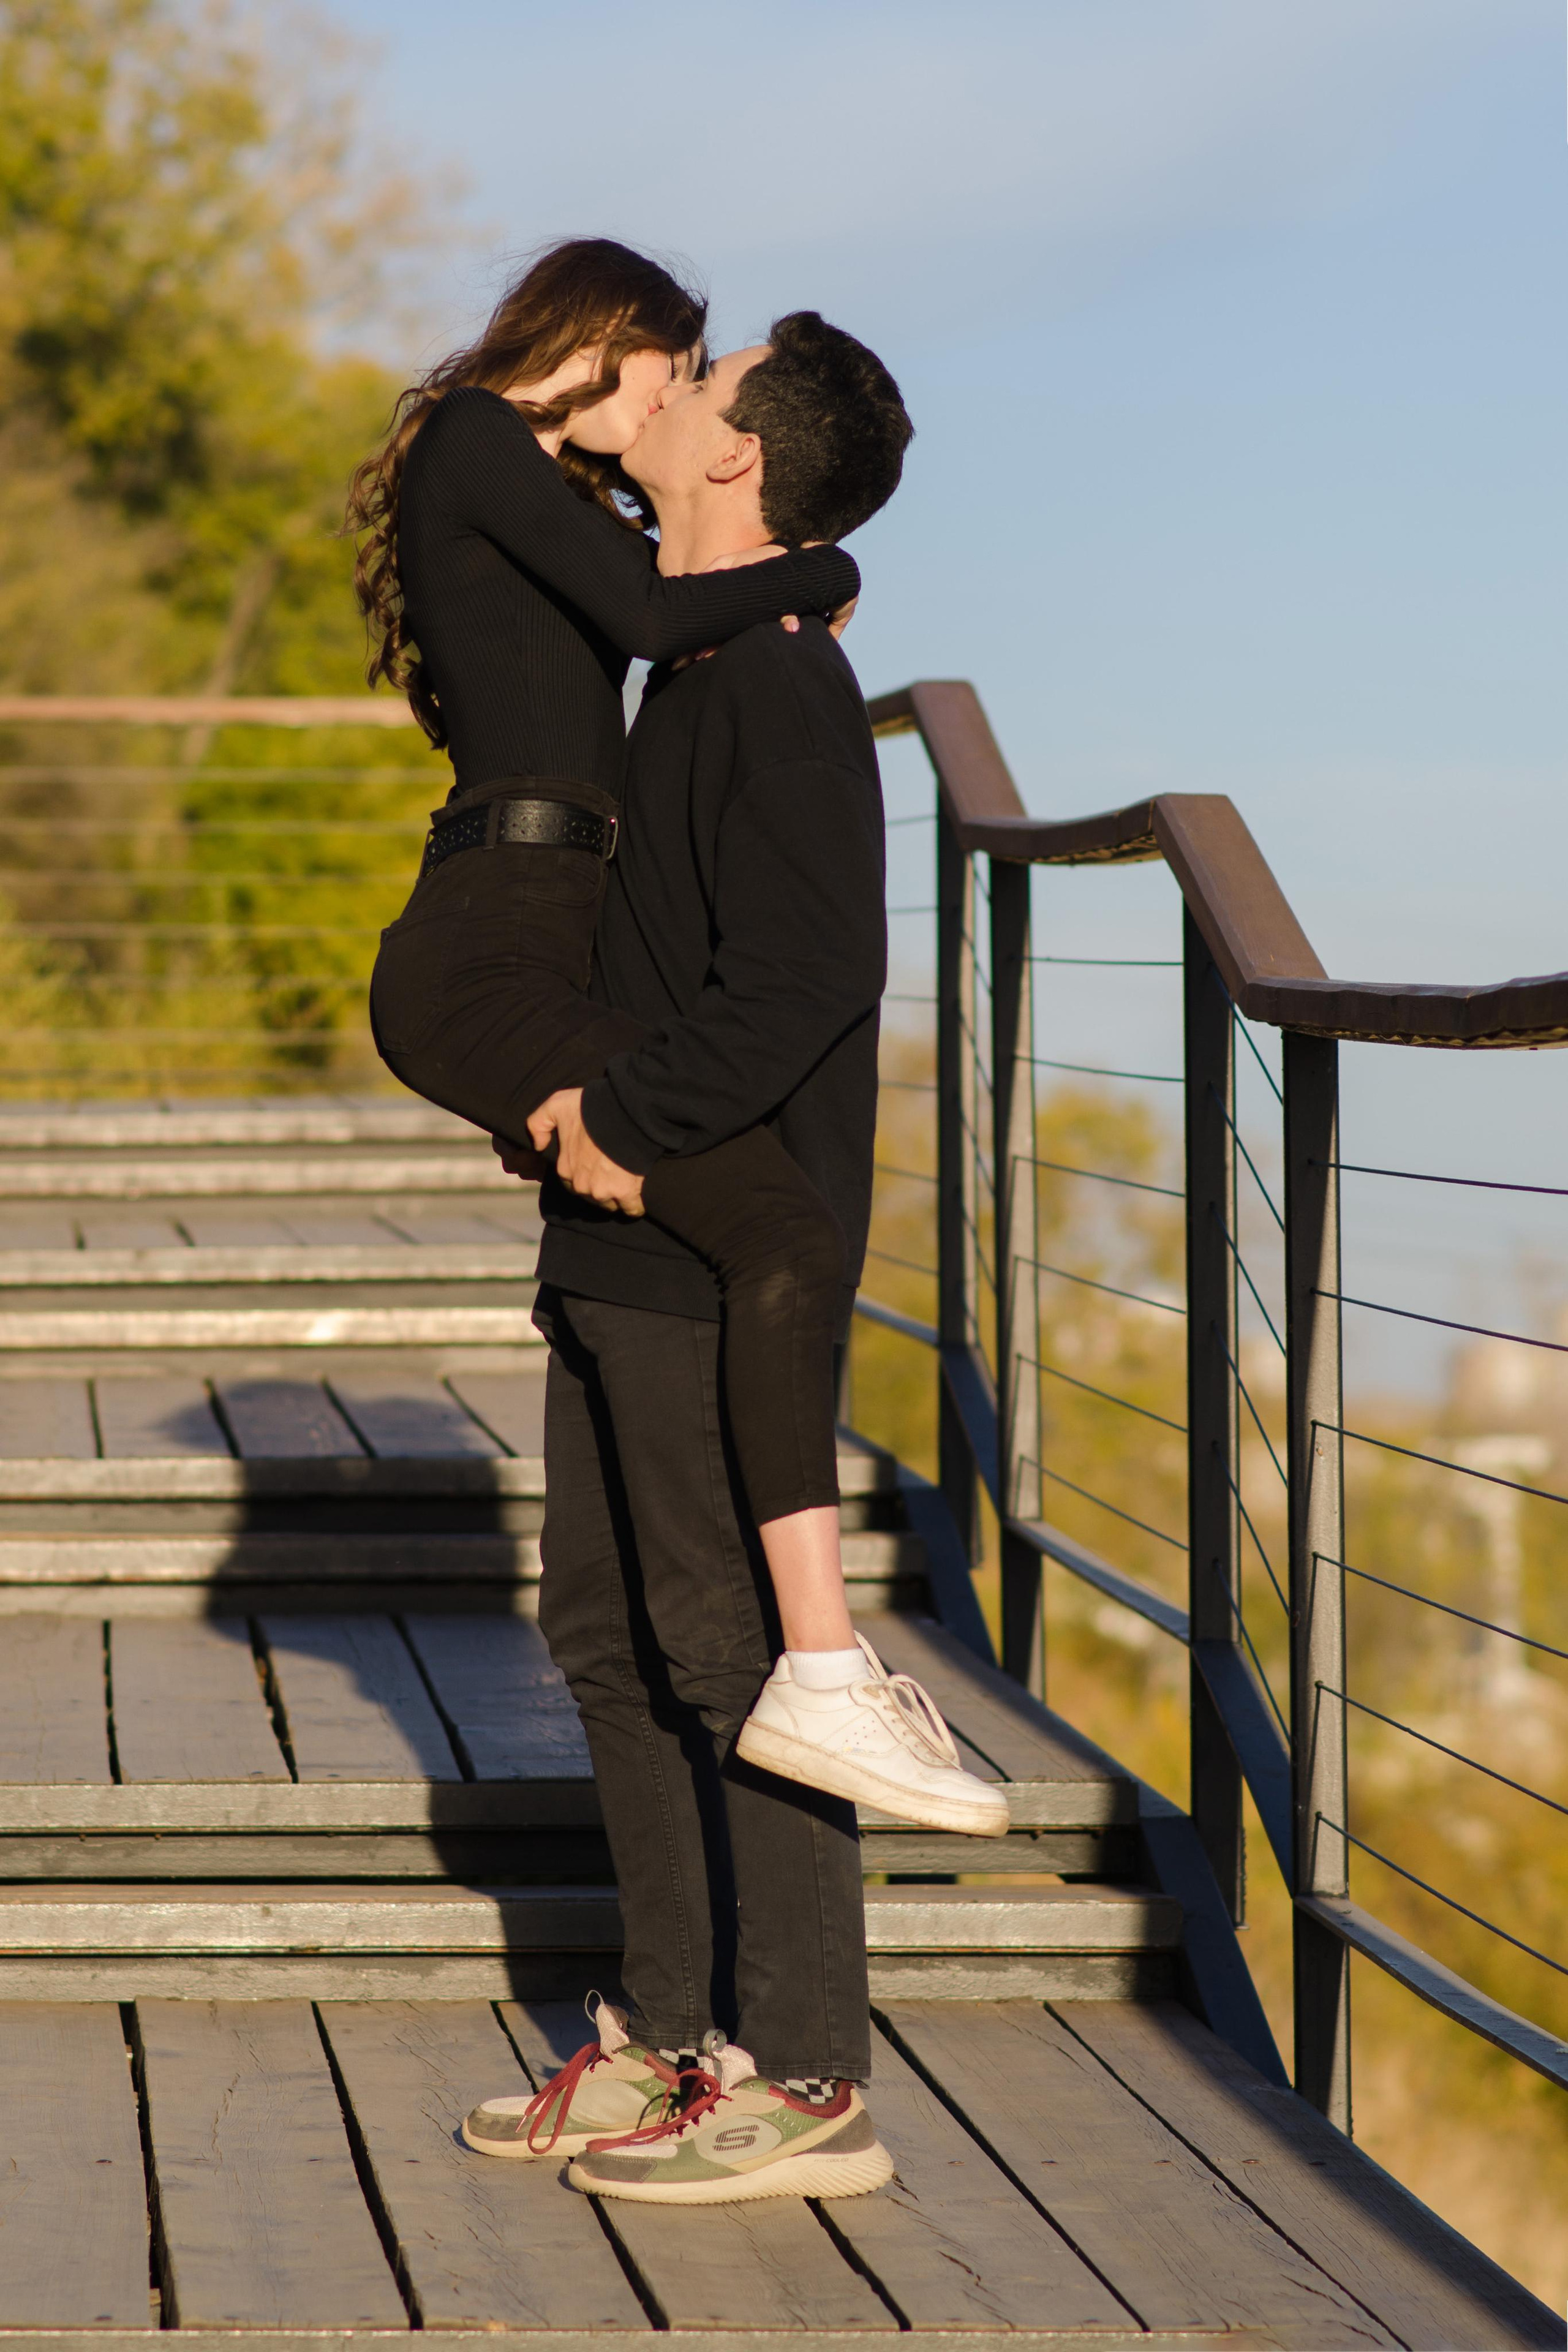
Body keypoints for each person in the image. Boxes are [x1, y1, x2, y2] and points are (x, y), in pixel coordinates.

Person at [350, 241, 1005, 1834]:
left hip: (539, 938)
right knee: (777, 1217)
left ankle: (822, 1677)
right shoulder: (475, 442)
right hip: (490, 941)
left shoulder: (548, 490)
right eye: (672, 362)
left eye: (698, 379)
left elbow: (656, 608)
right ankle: (829, 1671)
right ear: (599, 339)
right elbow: (654, 617)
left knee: (758, 1216)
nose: (672, 393)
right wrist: (824, 578)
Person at [461, 316, 1000, 2207]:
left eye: (699, 382)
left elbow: (803, 983)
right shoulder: (688, 677)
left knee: (732, 1654)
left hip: (711, 1241)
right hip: (616, 1244)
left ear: (735, 461)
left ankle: (808, 2077)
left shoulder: (774, 689)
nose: (663, 392)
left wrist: (632, 1116)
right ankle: (677, 2043)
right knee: (607, 1643)